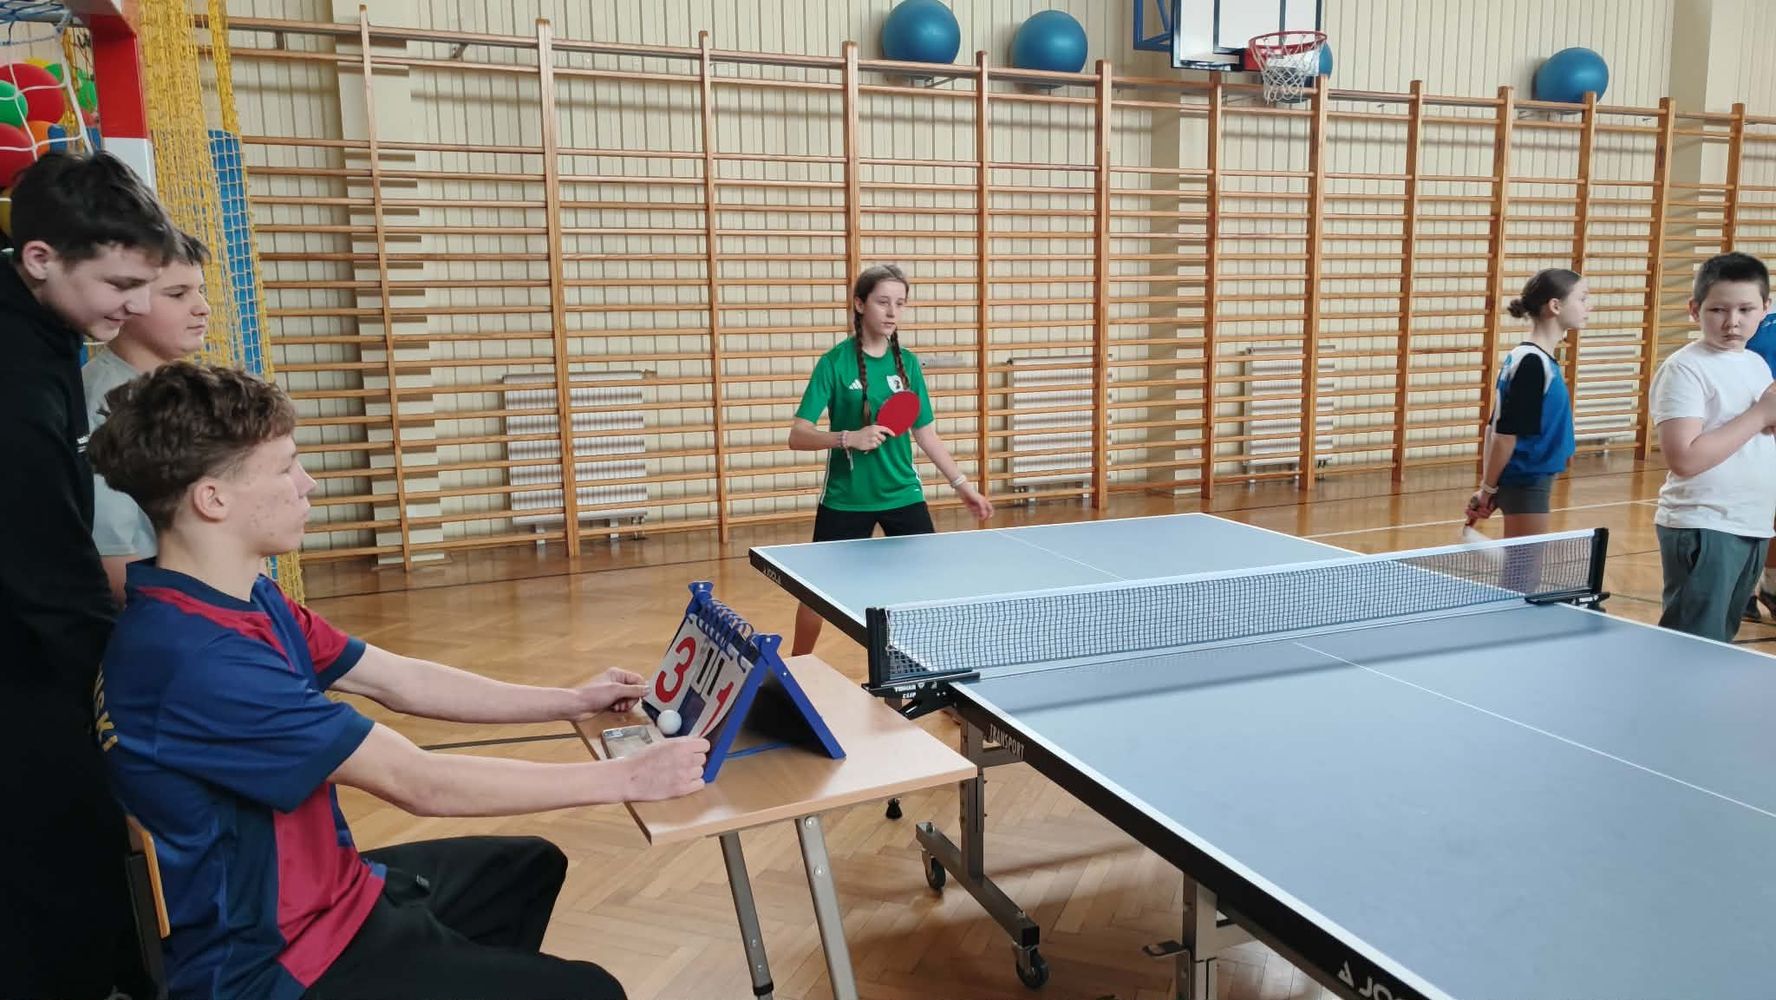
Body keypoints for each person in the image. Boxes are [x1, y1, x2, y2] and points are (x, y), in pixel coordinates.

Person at [87, 361, 710, 1000]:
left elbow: (400, 680)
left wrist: (570, 701)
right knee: (590, 992)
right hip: (274, 963)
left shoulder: (238, 600)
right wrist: (626, 778)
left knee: (524, 869)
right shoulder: (198, 661)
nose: (308, 484)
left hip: (329, 892)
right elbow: (418, 781)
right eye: (286, 467)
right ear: (213, 499)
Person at [0, 150, 177, 1000]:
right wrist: (126, 679)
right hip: (24, 661)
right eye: (119, 284)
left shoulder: (51, 328)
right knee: (52, 858)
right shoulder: (16, 386)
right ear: (40, 258)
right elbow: (48, 575)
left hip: (42, 640)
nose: (135, 306)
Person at [786, 263, 994, 655]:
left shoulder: (908, 364)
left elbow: (925, 433)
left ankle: (931, 669)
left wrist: (962, 486)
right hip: (846, 499)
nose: (892, 311)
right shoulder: (834, 363)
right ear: (860, 304)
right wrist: (847, 438)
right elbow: (798, 434)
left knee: (926, 590)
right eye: (883, 302)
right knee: (815, 594)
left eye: (900, 303)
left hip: (903, 494)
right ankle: (795, 668)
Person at [1649, 251, 1776, 643]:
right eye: (1718, 309)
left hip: (1751, 523)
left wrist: (1765, 420)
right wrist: (1760, 414)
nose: (1732, 321)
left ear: (1766, 308)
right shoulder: (1685, 368)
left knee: (1719, 644)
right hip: (1705, 525)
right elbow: (1684, 458)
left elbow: (1755, 436)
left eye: (1745, 309)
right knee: (1692, 649)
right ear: (1695, 309)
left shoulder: (1755, 364)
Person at [85, 228, 213, 605]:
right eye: (177, 294)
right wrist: (214, 609)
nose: (202, 307)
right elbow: (113, 563)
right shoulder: (103, 407)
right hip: (169, 614)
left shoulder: (187, 390)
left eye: (200, 290)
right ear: (126, 302)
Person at [1465, 269, 1586, 537]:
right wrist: (1488, 489)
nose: (1588, 307)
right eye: (1582, 299)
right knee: (1525, 565)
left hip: (1526, 481)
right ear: (1555, 306)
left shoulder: (1530, 359)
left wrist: (1488, 487)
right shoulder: (1532, 363)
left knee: (1523, 563)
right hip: (1526, 482)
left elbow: (1493, 428)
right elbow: (1503, 436)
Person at [1740, 307, 1776, 620]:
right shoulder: (1760, 317)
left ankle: (1771, 587)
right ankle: (1743, 590)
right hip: (1755, 426)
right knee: (1752, 508)